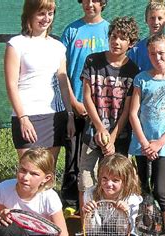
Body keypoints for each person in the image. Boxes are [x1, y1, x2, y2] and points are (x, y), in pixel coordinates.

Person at [79, 16, 140, 212]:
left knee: (117, 178)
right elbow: (87, 97)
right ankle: (88, 225)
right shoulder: (93, 60)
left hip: (119, 137)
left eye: (122, 38)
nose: (116, 41)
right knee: (86, 176)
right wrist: (99, 128)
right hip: (93, 133)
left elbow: (127, 110)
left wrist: (112, 138)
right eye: (113, 36)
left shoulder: (132, 70)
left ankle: (116, 223)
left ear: (131, 43)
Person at [5, 0, 75, 161]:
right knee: (29, 171)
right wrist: (23, 118)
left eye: (50, 14)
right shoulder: (16, 44)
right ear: (30, 13)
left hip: (54, 118)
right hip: (26, 117)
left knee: (47, 175)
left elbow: (63, 83)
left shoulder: (58, 47)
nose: (46, 18)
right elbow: (11, 85)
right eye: (41, 13)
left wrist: (70, 115)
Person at [129, 33, 165, 226]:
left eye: (161, 53)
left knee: (161, 189)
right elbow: (133, 114)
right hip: (142, 144)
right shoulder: (141, 79)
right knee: (144, 187)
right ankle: (148, 227)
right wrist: (145, 143)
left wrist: (159, 143)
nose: (158, 58)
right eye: (153, 54)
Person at [60, 0, 110, 209]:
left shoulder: (109, 30)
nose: (90, 4)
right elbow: (61, 70)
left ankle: (100, 201)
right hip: (75, 105)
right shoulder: (71, 30)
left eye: (96, 0)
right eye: (86, 0)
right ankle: (71, 202)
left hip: (101, 110)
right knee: (72, 154)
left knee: (99, 159)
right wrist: (73, 101)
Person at [0, 148, 71, 236]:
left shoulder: (50, 197)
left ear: (46, 178)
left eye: (34, 174)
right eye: (23, 170)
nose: (25, 177)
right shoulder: (4, 189)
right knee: (2, 228)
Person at [79, 153, 143, 236]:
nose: (109, 184)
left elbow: (124, 232)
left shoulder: (131, 199)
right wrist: (90, 214)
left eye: (115, 180)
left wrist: (123, 213)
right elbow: (91, 230)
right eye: (105, 178)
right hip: (99, 234)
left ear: (125, 181)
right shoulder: (90, 194)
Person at [128, 0, 165, 72]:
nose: (156, 22)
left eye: (160, 18)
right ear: (146, 19)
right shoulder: (136, 50)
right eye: (152, 18)